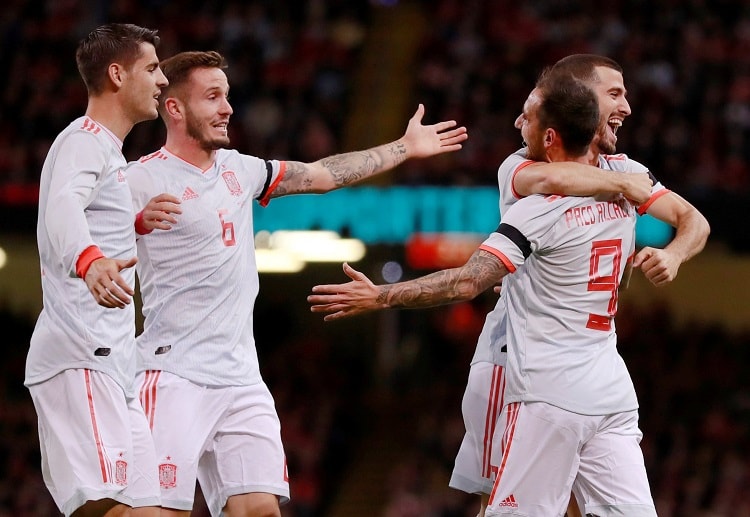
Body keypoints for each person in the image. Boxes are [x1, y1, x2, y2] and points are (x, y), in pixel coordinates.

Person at [125, 50, 467, 517]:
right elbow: (79, 243)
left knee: (261, 511)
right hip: (171, 374)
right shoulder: (138, 179)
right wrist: (136, 223)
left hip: (241, 378)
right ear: (175, 109)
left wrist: (404, 147)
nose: (227, 107)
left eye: (227, 95)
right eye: (212, 97)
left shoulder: (241, 170)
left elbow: (324, 175)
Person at [308, 72, 659, 516]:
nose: (517, 124)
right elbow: (678, 224)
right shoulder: (631, 181)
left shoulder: (537, 209)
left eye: (526, 118)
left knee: (503, 506)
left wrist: (383, 296)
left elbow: (468, 281)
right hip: (612, 393)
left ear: (549, 136)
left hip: (548, 392)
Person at [453, 53, 710, 517]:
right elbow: (556, 175)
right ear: (578, 101)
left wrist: (673, 253)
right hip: (514, 359)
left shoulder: (623, 168)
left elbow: (693, 219)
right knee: (508, 501)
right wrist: (630, 187)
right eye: (615, 94)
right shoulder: (521, 164)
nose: (627, 107)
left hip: (587, 368)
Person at [25, 23, 171, 517]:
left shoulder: (106, 151)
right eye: (151, 68)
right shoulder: (84, 140)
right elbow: (60, 208)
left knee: (152, 510)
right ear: (116, 74)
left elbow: (84, 209)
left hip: (114, 364)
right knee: (108, 510)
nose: (162, 80)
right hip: (82, 353)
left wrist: (130, 224)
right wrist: (89, 261)